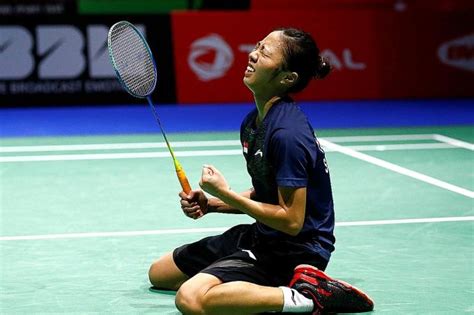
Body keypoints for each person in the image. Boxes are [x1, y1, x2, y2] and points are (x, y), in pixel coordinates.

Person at [148, 27, 374, 315]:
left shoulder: (288, 134)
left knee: (190, 299)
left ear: (286, 78)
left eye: (265, 53)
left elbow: (292, 220)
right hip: (264, 236)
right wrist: (213, 205)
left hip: (296, 251)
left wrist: (226, 193)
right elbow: (267, 192)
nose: (253, 55)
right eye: (257, 46)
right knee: (161, 274)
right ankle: (246, 285)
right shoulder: (253, 123)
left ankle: (309, 296)